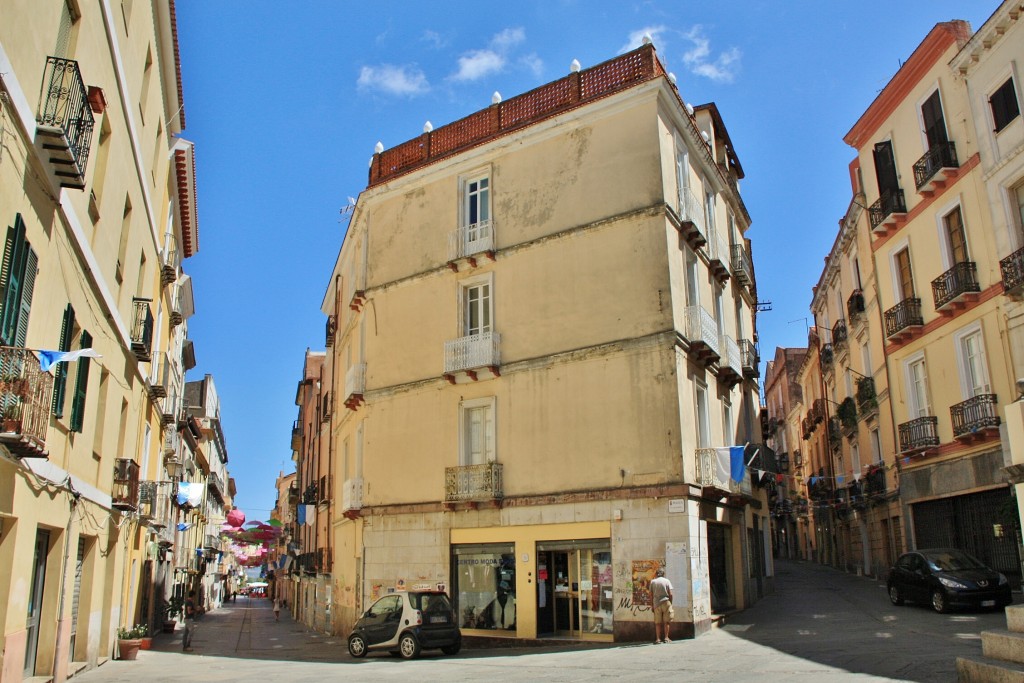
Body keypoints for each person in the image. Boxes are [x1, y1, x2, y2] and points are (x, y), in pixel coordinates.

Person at [650, 567, 674, 644]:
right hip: (666, 602)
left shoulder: (653, 582)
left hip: (656, 603)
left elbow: (651, 595)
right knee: (666, 622)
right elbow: (670, 594)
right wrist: (670, 603)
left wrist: (652, 605)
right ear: (663, 574)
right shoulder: (667, 581)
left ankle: (658, 639)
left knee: (657, 622)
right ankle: (666, 638)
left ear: (656, 574)